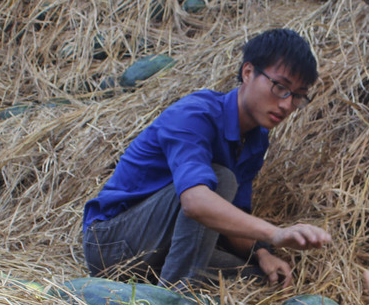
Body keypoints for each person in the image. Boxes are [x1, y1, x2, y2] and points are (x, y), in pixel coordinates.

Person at [82, 29, 330, 289]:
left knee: (256, 279)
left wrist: (262, 253)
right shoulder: (194, 114)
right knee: (220, 179)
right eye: (280, 87)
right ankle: (173, 298)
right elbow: (196, 203)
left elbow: (231, 216)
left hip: (161, 248)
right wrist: (275, 234)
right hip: (111, 245)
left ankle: (165, 283)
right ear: (248, 72)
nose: (287, 105)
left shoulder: (256, 140)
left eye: (297, 96)